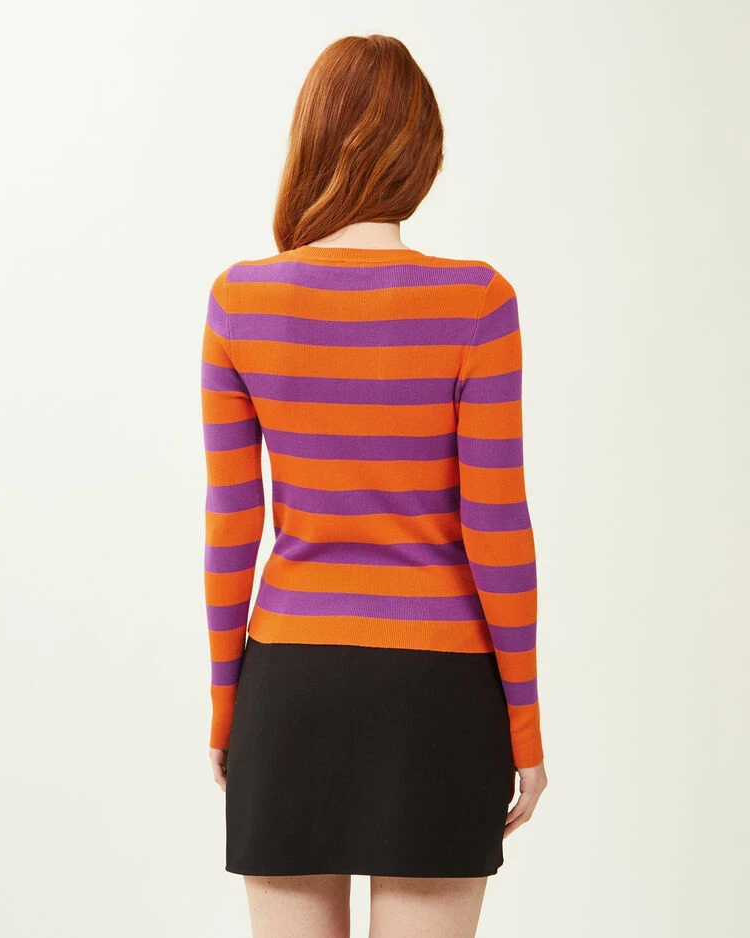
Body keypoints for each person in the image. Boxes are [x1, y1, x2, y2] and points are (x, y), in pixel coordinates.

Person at [200, 32, 548, 938]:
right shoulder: (479, 304)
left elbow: (233, 526)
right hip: (440, 693)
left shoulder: (239, 302)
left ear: (311, 140)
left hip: (290, 687)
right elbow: (498, 530)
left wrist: (227, 709)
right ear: (422, 151)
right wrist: (525, 729)